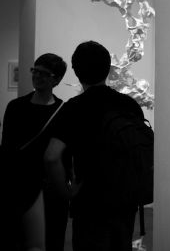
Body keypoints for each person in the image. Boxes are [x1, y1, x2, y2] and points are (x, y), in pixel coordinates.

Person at [44, 41, 144, 251]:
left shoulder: (74, 107)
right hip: (125, 198)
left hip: (90, 201)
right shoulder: (129, 105)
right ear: (108, 69)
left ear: (76, 71)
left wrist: (66, 193)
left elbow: (51, 156)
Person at [1, 53, 68, 251]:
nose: (37, 76)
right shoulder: (15, 107)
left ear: (56, 80)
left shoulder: (63, 111)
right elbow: (7, 150)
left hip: (50, 188)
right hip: (19, 186)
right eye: (35, 71)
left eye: (44, 73)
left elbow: (64, 155)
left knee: (52, 240)